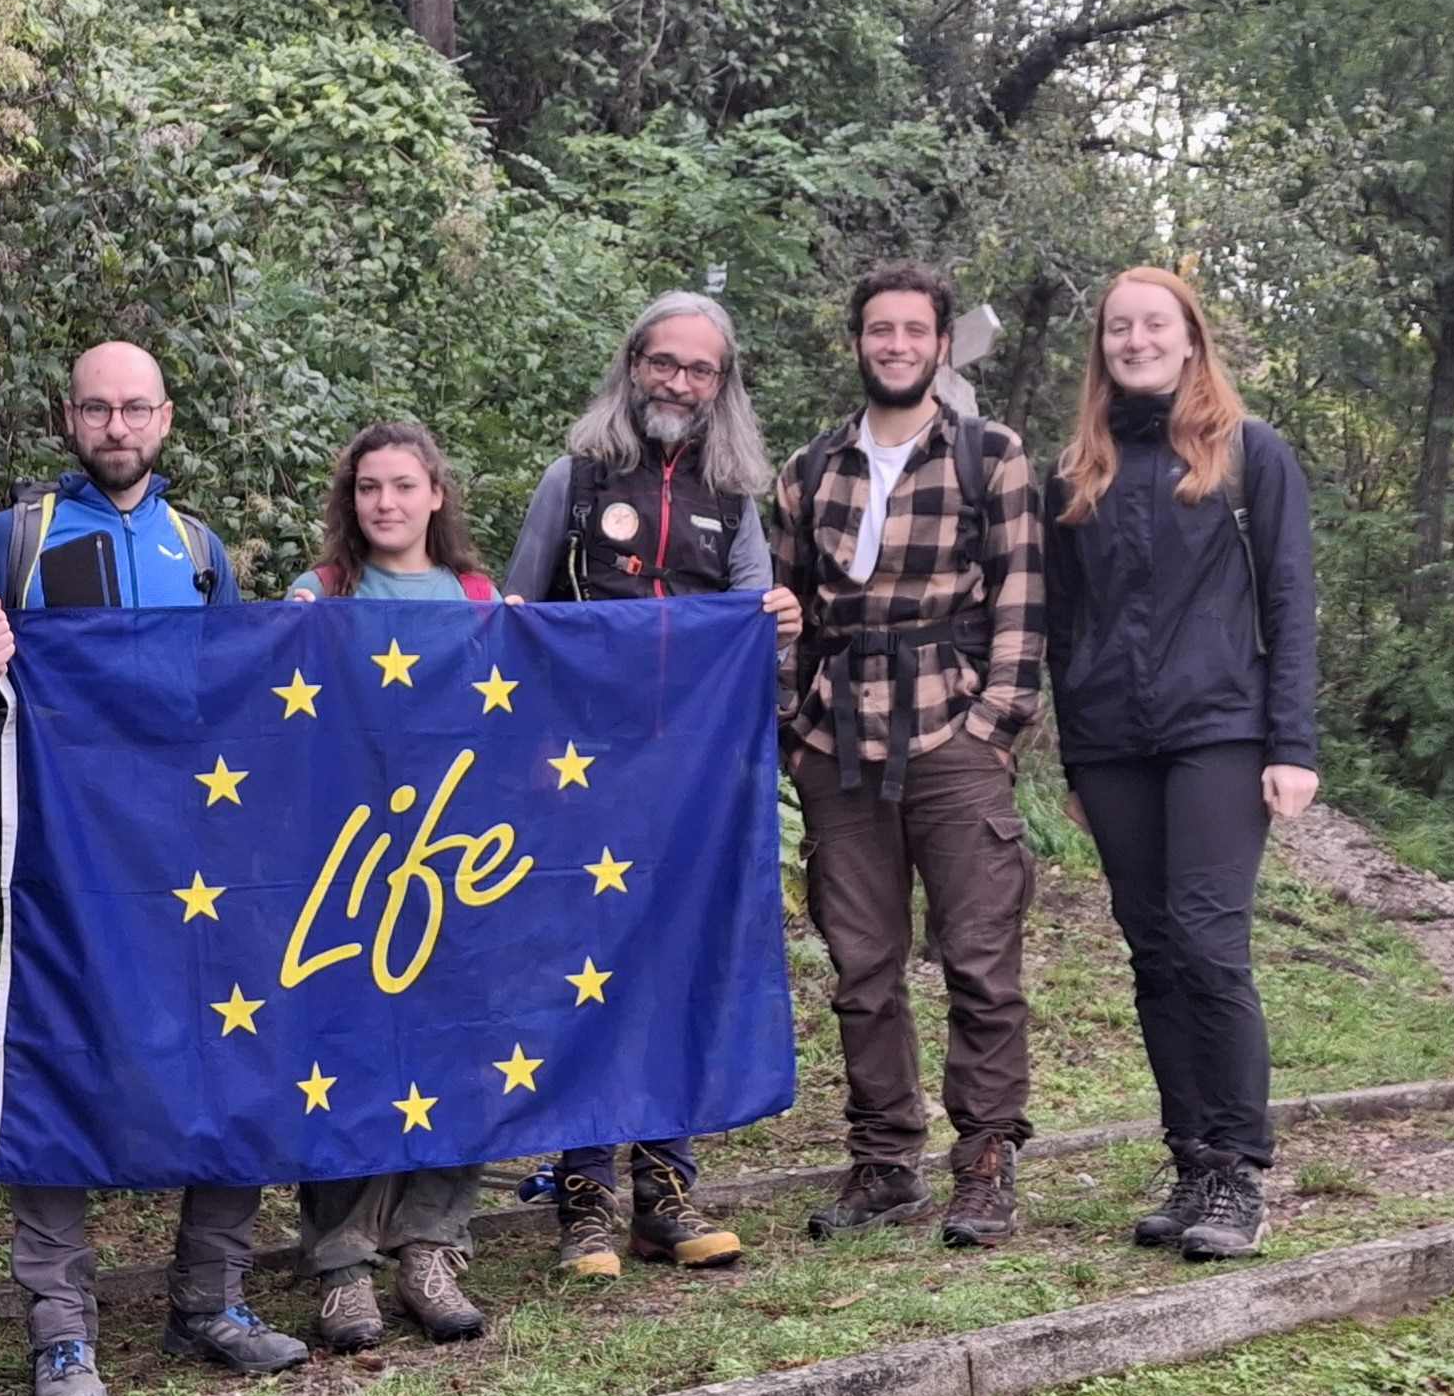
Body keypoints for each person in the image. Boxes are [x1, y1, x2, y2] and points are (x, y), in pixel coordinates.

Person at [0, 340, 312, 1396]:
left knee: (231, 1051)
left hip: (198, 855)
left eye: (133, 408)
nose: (115, 428)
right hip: (67, 857)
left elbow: (237, 695)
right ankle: (59, 1331)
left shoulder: (200, 550)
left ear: (166, 418)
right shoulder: (16, 538)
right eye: (95, 410)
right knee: (64, 1060)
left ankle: (211, 1300)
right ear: (69, 419)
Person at [496, 291, 800, 1280]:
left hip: (691, 789)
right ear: (631, 366)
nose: (677, 382)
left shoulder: (737, 499)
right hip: (582, 785)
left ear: (722, 385)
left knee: (673, 973)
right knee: (586, 972)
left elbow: (759, 639)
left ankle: (664, 1191)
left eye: (698, 369)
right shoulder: (572, 481)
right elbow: (517, 624)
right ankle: (583, 1198)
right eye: (661, 363)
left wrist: (780, 626)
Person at [1044, 266, 1319, 1260]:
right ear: (1101, 348)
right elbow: (1062, 625)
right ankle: (1190, 1159)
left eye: (1152, 324)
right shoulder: (1078, 471)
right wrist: (1075, 761)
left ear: (1190, 339)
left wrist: (1290, 745)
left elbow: (1288, 602)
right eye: (1117, 327)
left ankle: (1239, 1168)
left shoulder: (1248, 455)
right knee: (1153, 953)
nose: (1134, 339)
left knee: (1207, 943)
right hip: (1114, 746)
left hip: (1219, 728)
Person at [772, 262, 1046, 1251]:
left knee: (978, 958)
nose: (893, 344)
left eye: (910, 330)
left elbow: (1020, 597)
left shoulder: (988, 456)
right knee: (860, 967)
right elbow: (786, 610)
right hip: (837, 743)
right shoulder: (807, 471)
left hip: (951, 736)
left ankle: (983, 1159)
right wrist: (792, 722)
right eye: (876, 329)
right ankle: (883, 1159)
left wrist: (995, 721)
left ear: (937, 344)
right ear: (857, 342)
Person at [282, 421, 497, 1350]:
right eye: (369, 487)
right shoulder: (320, 593)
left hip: (458, 861)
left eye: (403, 486)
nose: (386, 503)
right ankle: (341, 1264)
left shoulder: (480, 596)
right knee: (345, 1053)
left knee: (457, 1046)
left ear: (435, 494)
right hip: (348, 860)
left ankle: (430, 1248)